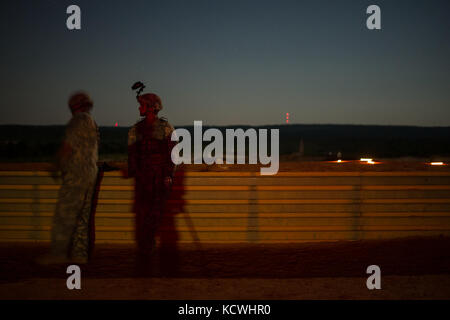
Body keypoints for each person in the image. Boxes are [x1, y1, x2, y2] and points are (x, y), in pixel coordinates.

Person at [39, 92, 99, 265]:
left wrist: (56, 165)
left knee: (64, 215)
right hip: (90, 174)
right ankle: (79, 255)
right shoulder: (92, 122)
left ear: (74, 106)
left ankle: (57, 254)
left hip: (76, 175)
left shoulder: (78, 121)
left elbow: (67, 147)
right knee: (82, 218)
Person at [127, 92, 176, 262]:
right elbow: (132, 155)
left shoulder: (165, 127)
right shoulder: (135, 129)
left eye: (142, 105)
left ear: (150, 107)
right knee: (143, 214)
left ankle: (149, 245)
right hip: (143, 178)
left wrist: (168, 175)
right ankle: (146, 246)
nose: (139, 108)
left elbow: (172, 154)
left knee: (154, 214)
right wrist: (135, 171)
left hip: (158, 177)